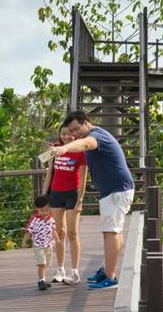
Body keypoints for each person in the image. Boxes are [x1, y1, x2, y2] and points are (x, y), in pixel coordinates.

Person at [50, 109, 135, 289]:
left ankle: (110, 278)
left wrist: (64, 148)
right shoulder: (96, 135)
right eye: (71, 131)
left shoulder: (97, 135)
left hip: (117, 191)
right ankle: (108, 271)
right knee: (113, 231)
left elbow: (86, 144)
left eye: (75, 129)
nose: (74, 134)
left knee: (111, 232)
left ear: (86, 122)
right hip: (112, 191)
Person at [42, 124, 88, 284]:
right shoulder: (55, 149)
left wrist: (81, 198)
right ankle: (60, 270)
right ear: (60, 135)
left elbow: (83, 176)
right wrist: (43, 195)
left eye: (69, 134)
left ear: (74, 135)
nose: (66, 137)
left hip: (72, 194)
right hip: (56, 194)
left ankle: (74, 272)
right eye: (63, 134)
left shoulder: (80, 151)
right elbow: (49, 172)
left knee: (72, 233)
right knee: (59, 233)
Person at [21, 195, 56, 291]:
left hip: (48, 245)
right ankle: (41, 281)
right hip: (38, 245)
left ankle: (44, 279)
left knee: (47, 263)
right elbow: (28, 232)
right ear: (36, 209)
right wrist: (24, 242)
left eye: (47, 210)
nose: (45, 212)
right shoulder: (34, 220)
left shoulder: (50, 218)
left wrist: (57, 239)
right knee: (42, 264)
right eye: (42, 210)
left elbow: (53, 229)